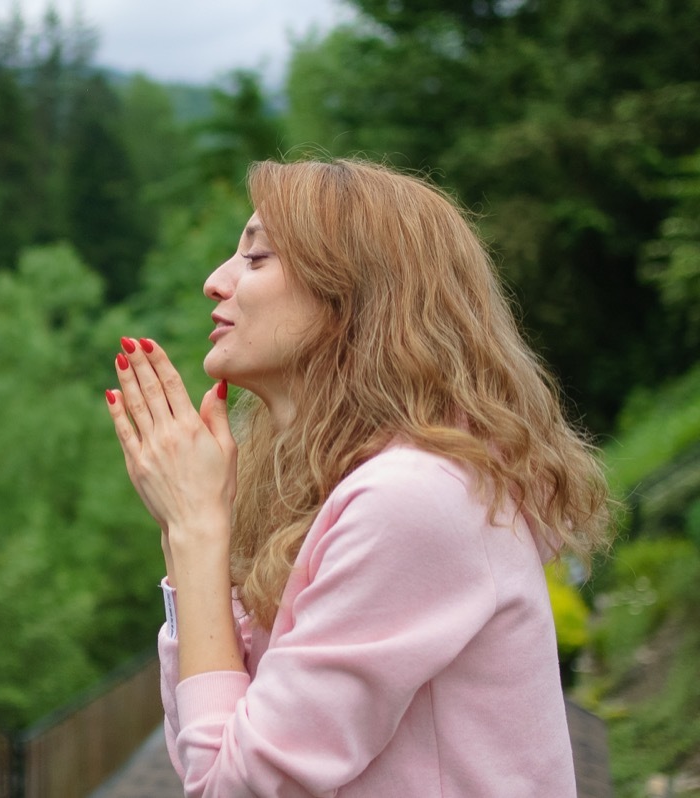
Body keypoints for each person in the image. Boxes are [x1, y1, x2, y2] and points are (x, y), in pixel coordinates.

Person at [105, 158, 611, 797]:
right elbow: (210, 748)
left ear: (352, 296)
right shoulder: (347, 490)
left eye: (256, 258)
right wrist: (188, 534)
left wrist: (196, 529)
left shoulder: (414, 498)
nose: (215, 281)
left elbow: (231, 787)